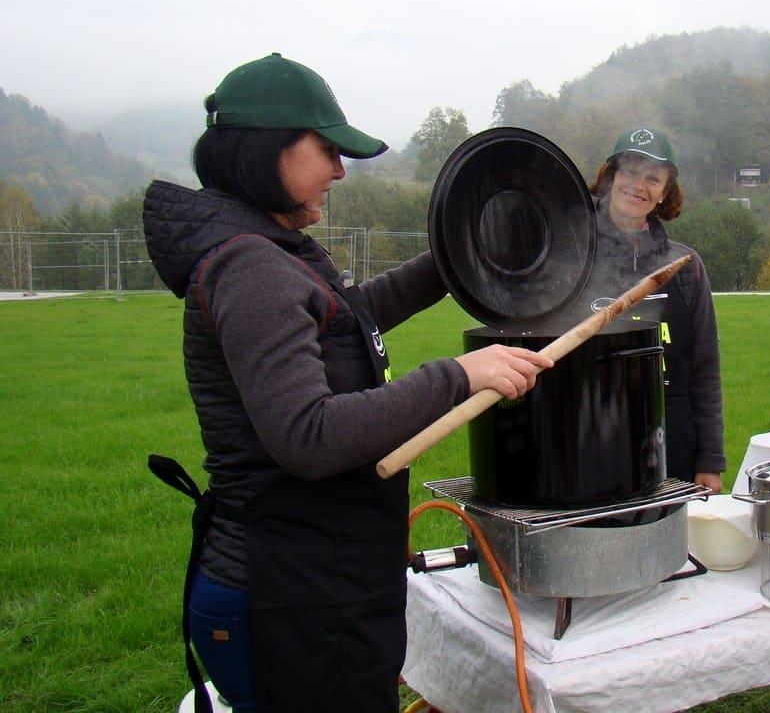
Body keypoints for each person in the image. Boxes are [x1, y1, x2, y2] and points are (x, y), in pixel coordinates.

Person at [143, 53, 552, 712]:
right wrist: (457, 376)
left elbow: (350, 319)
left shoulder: (271, 249)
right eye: (328, 150)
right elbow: (309, 435)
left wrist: (459, 255)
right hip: (288, 594)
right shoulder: (251, 266)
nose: (339, 170)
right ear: (267, 151)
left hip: (318, 577)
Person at [582, 127, 725, 492]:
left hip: (672, 447)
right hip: (588, 439)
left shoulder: (686, 268)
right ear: (610, 176)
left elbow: (705, 368)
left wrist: (710, 459)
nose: (638, 185)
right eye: (630, 171)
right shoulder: (572, 256)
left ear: (665, 193)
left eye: (653, 178)